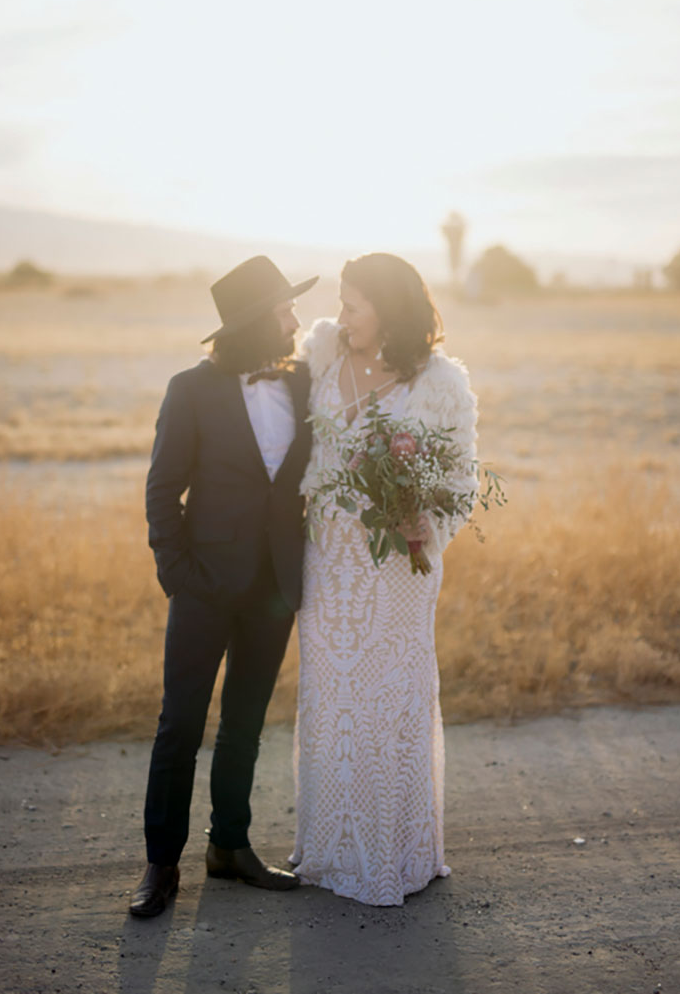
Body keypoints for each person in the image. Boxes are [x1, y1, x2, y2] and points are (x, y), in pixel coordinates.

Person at [129, 255, 318, 918]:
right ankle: (160, 865)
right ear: (254, 320)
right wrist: (177, 574)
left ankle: (229, 846)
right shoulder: (190, 389)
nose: (296, 319)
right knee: (180, 723)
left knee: (244, 724)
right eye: (284, 308)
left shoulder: (301, 386)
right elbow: (162, 489)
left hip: (274, 588)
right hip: (204, 586)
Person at [290, 252, 479, 906]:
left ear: (388, 310)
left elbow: (462, 484)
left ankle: (395, 857)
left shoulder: (441, 383)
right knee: (331, 696)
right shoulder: (319, 355)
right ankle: (331, 849)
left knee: (389, 701)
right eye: (340, 303)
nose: (339, 317)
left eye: (352, 305)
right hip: (327, 561)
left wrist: (417, 522)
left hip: (398, 568)